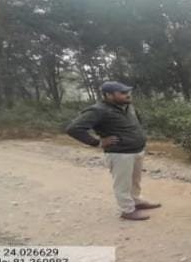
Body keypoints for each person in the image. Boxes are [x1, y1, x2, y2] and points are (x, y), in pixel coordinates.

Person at [66, 81, 162, 221]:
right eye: (122, 93)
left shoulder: (128, 106)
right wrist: (97, 142)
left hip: (137, 150)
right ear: (109, 95)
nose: (127, 94)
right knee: (123, 183)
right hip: (120, 154)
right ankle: (127, 210)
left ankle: (136, 201)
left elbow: (137, 122)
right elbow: (73, 129)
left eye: (127, 91)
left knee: (135, 181)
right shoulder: (98, 110)